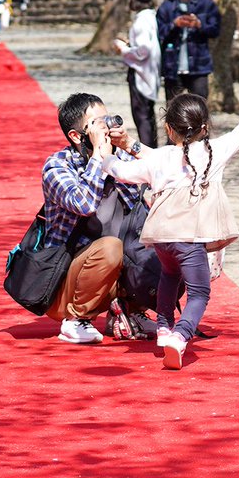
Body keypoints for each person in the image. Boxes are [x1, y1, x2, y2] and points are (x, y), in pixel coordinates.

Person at [110, 91, 239, 370]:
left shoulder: (161, 157)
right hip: (190, 239)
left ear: (169, 130)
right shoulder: (215, 150)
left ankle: (164, 327)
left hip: (161, 238)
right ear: (205, 127)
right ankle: (180, 336)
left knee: (169, 276)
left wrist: (102, 155)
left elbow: (124, 172)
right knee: (199, 293)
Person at [38, 93, 151, 343]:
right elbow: (84, 204)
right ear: (77, 136)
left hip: (108, 273)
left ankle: (131, 310)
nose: (106, 128)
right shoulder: (57, 167)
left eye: (106, 119)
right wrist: (99, 158)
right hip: (63, 281)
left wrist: (125, 148)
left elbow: (147, 185)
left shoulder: (116, 156)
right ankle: (76, 319)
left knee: (165, 240)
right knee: (110, 247)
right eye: (98, 123)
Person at [155, 0, 220, 102]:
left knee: (200, 106)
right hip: (173, 66)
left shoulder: (206, 4)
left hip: (198, 67)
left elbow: (215, 30)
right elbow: (159, 33)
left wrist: (199, 25)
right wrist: (174, 24)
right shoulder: (167, 6)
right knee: (172, 108)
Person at [114, 0, 161, 147]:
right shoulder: (150, 17)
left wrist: (123, 49)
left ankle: (148, 153)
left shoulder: (141, 21)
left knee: (142, 117)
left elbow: (143, 50)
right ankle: (152, 150)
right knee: (147, 115)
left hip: (141, 74)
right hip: (149, 73)